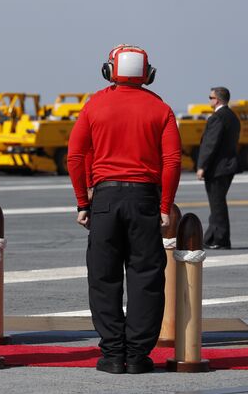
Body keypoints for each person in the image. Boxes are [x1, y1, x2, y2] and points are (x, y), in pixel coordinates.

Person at [67, 44, 181, 374]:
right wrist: (165, 206)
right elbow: (172, 161)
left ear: (109, 70)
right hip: (145, 198)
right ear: (148, 75)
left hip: (104, 199)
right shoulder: (161, 109)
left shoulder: (95, 105)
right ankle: (139, 356)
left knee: (104, 277)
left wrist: (82, 202)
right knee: (146, 276)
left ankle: (113, 355)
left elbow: (75, 157)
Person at [196, 87, 241, 250]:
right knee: (218, 203)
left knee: (217, 204)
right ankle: (212, 237)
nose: (209, 100)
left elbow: (210, 144)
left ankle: (220, 239)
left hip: (217, 168)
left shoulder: (217, 118)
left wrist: (202, 166)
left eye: (211, 97)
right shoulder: (233, 117)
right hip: (228, 166)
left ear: (218, 100)